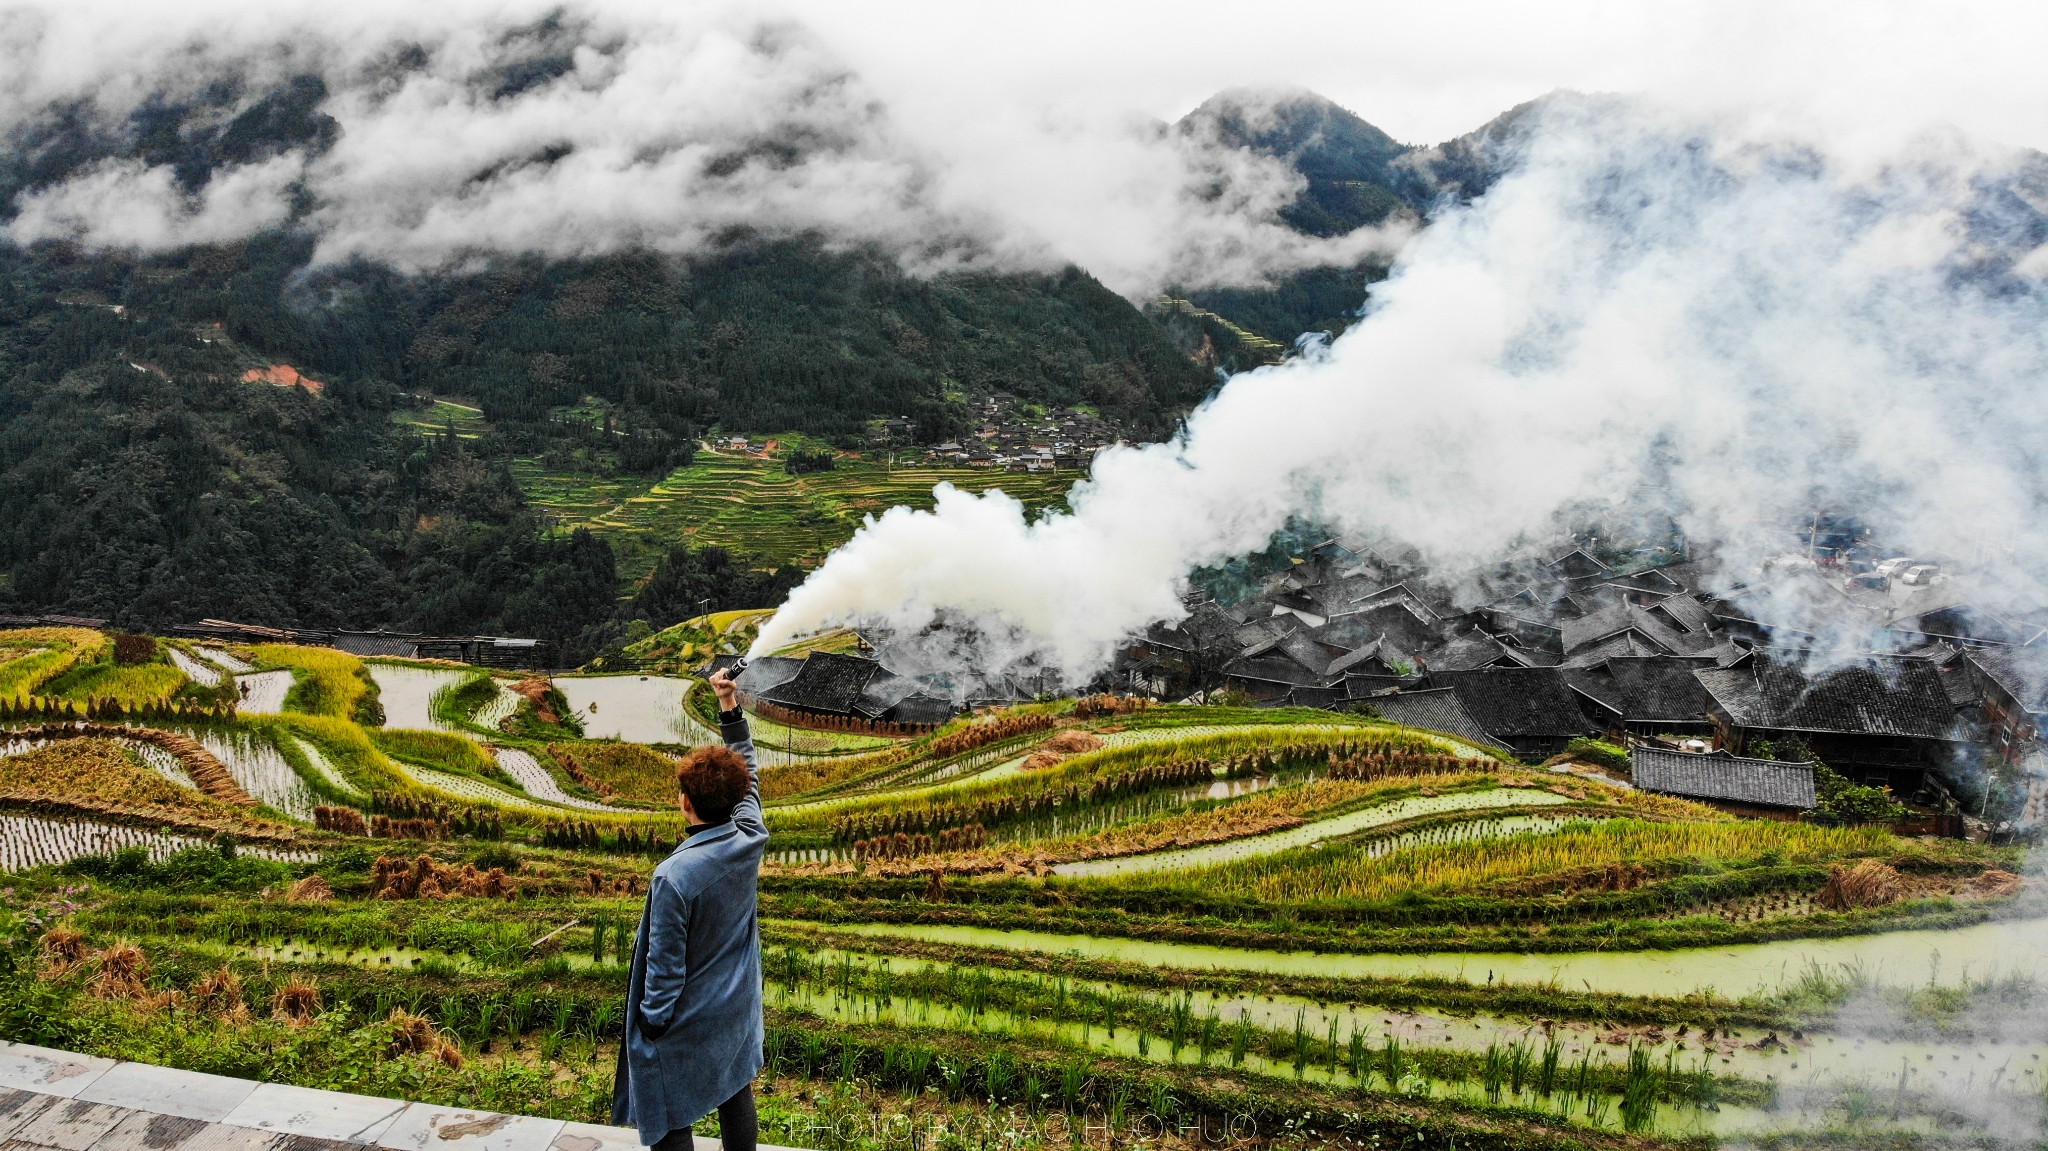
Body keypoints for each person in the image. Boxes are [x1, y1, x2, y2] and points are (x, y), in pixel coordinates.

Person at [612, 668, 765, 1151]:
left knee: (664, 1106)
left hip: (689, 1015)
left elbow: (665, 966)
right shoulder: (749, 835)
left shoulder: (675, 877)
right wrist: (728, 705)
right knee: (733, 1085)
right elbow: (750, 773)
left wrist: (653, 1022)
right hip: (736, 1003)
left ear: (684, 803)